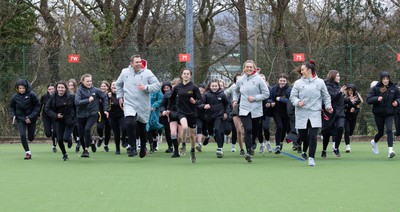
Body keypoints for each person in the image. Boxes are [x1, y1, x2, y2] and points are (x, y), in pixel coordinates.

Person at [115, 55, 160, 158]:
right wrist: (120, 97)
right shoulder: (125, 72)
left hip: (143, 104)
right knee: (129, 122)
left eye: (140, 62)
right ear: (131, 63)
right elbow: (118, 85)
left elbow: (157, 85)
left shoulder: (147, 73)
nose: (139, 64)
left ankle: (143, 146)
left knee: (142, 127)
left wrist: (146, 87)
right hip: (129, 103)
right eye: (137, 62)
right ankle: (133, 146)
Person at [289, 61, 332, 166]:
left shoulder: (320, 82)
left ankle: (311, 157)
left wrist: (328, 106)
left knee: (313, 135)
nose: (301, 71)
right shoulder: (298, 83)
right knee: (303, 136)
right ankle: (305, 147)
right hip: (301, 113)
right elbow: (292, 97)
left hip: (315, 112)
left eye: (303, 69)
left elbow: (326, 96)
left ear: (309, 70)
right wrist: (298, 102)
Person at [233, 60, 269, 162]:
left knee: (255, 130)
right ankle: (248, 152)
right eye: (247, 67)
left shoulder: (258, 79)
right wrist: (235, 100)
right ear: (244, 68)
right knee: (248, 129)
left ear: (254, 68)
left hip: (256, 109)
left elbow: (266, 94)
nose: (248, 69)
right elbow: (236, 91)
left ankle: (253, 141)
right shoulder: (241, 80)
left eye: (250, 67)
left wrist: (255, 98)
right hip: (244, 108)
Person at [166, 69, 202, 163]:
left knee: (193, 135)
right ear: (182, 75)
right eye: (184, 74)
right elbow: (171, 99)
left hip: (192, 113)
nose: (186, 75)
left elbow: (200, 100)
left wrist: (195, 102)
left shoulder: (194, 87)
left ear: (190, 76)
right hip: (181, 112)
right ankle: (183, 145)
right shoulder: (177, 87)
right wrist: (168, 109)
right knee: (184, 127)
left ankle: (193, 151)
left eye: (188, 74)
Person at [367, 71, 400, 158]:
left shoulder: (394, 88)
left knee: (389, 130)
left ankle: (390, 150)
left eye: (387, 79)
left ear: (389, 79)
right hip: (378, 113)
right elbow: (368, 99)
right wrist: (377, 98)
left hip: (390, 113)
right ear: (381, 79)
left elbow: (398, 97)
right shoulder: (375, 88)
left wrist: (397, 102)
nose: (385, 80)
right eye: (384, 79)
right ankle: (374, 142)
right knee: (380, 132)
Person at [75, 74, 109, 158]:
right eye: (87, 81)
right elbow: (77, 102)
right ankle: (91, 142)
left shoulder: (96, 90)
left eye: (90, 81)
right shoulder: (79, 91)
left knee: (87, 129)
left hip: (92, 113)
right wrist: (88, 100)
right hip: (81, 115)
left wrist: (105, 109)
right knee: (81, 134)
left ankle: (86, 150)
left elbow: (104, 97)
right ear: (82, 81)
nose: (89, 82)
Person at [45, 81, 76, 161]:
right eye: (59, 87)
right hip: (58, 120)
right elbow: (47, 109)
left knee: (65, 138)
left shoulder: (71, 97)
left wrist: (75, 118)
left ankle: (69, 138)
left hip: (69, 120)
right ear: (56, 88)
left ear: (65, 88)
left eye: (62, 87)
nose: (60, 89)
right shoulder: (52, 97)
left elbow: (76, 107)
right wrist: (56, 115)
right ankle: (64, 154)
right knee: (59, 139)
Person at [10, 79, 40, 159]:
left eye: (23, 88)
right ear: (17, 88)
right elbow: (12, 107)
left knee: (31, 138)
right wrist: (13, 115)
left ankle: (32, 134)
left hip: (31, 118)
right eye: (20, 88)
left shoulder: (32, 94)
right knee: (22, 135)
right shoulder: (14, 97)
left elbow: (37, 106)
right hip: (20, 119)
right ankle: (28, 152)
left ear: (26, 88)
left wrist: (31, 117)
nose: (22, 90)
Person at [320, 70, 346, 158]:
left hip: (340, 112)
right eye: (337, 76)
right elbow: (330, 98)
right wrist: (340, 92)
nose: (339, 77)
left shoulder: (339, 86)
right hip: (330, 113)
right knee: (326, 133)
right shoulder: (327, 86)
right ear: (332, 76)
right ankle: (324, 150)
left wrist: (349, 101)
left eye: (339, 76)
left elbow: (341, 99)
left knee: (340, 128)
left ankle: (336, 148)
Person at [201, 79, 229, 158]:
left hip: (219, 116)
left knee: (217, 130)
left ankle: (219, 148)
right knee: (211, 132)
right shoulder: (206, 95)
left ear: (219, 86)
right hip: (209, 117)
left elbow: (227, 104)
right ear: (209, 87)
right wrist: (204, 106)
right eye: (212, 86)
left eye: (216, 86)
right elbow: (200, 104)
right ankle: (209, 135)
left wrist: (226, 113)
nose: (214, 87)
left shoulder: (222, 94)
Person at [269, 73, 291, 154]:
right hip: (276, 111)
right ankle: (277, 145)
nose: (282, 82)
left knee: (284, 129)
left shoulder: (289, 89)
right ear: (278, 81)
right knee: (279, 127)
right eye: (281, 80)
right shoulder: (274, 89)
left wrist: (280, 99)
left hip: (286, 112)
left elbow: (290, 100)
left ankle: (281, 142)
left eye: (284, 81)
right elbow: (270, 98)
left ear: (286, 81)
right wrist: (271, 102)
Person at [225, 73, 244, 155]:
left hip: (246, 109)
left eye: (240, 79)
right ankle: (241, 149)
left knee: (248, 130)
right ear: (235, 80)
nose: (239, 81)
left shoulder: (247, 86)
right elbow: (224, 94)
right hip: (236, 110)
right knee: (238, 130)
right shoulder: (233, 87)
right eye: (237, 79)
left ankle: (250, 146)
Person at [108, 80, 127, 155]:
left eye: (116, 85)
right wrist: (109, 98)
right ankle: (117, 149)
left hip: (121, 115)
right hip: (112, 116)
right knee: (116, 133)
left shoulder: (123, 95)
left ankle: (124, 139)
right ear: (110, 87)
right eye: (113, 85)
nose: (114, 86)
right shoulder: (108, 96)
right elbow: (105, 105)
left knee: (124, 128)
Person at [343, 83, 363, 153]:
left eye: (351, 90)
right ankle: (348, 146)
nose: (350, 91)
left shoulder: (357, 99)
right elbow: (342, 106)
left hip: (353, 117)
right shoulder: (344, 97)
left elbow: (357, 110)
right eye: (349, 90)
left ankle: (348, 139)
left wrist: (354, 110)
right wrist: (348, 107)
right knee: (347, 131)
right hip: (345, 117)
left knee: (350, 132)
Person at [40, 83, 57, 153]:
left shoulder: (58, 96)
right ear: (47, 90)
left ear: (55, 89)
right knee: (48, 134)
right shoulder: (44, 97)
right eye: (49, 89)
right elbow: (40, 106)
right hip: (46, 116)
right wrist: (37, 114)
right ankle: (52, 133)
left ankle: (54, 146)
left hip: (55, 116)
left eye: (52, 89)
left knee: (55, 132)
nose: (51, 90)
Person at [96, 80, 112, 152]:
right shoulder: (98, 95)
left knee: (108, 130)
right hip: (100, 114)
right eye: (102, 86)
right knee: (99, 127)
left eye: (104, 86)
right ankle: (100, 137)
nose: (103, 87)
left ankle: (106, 145)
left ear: (107, 87)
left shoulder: (110, 95)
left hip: (109, 114)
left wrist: (109, 97)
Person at [159, 82, 174, 153]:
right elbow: (162, 105)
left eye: (167, 88)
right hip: (165, 116)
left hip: (175, 115)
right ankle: (170, 146)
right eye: (164, 88)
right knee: (167, 131)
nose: (166, 89)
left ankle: (177, 145)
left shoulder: (174, 95)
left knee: (174, 131)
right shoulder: (162, 95)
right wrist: (163, 111)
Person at [67, 79, 81, 152]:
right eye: (69, 85)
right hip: (68, 114)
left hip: (77, 113)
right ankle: (69, 139)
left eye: (72, 85)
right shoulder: (65, 94)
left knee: (76, 128)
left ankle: (78, 141)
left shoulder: (78, 93)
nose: (70, 87)